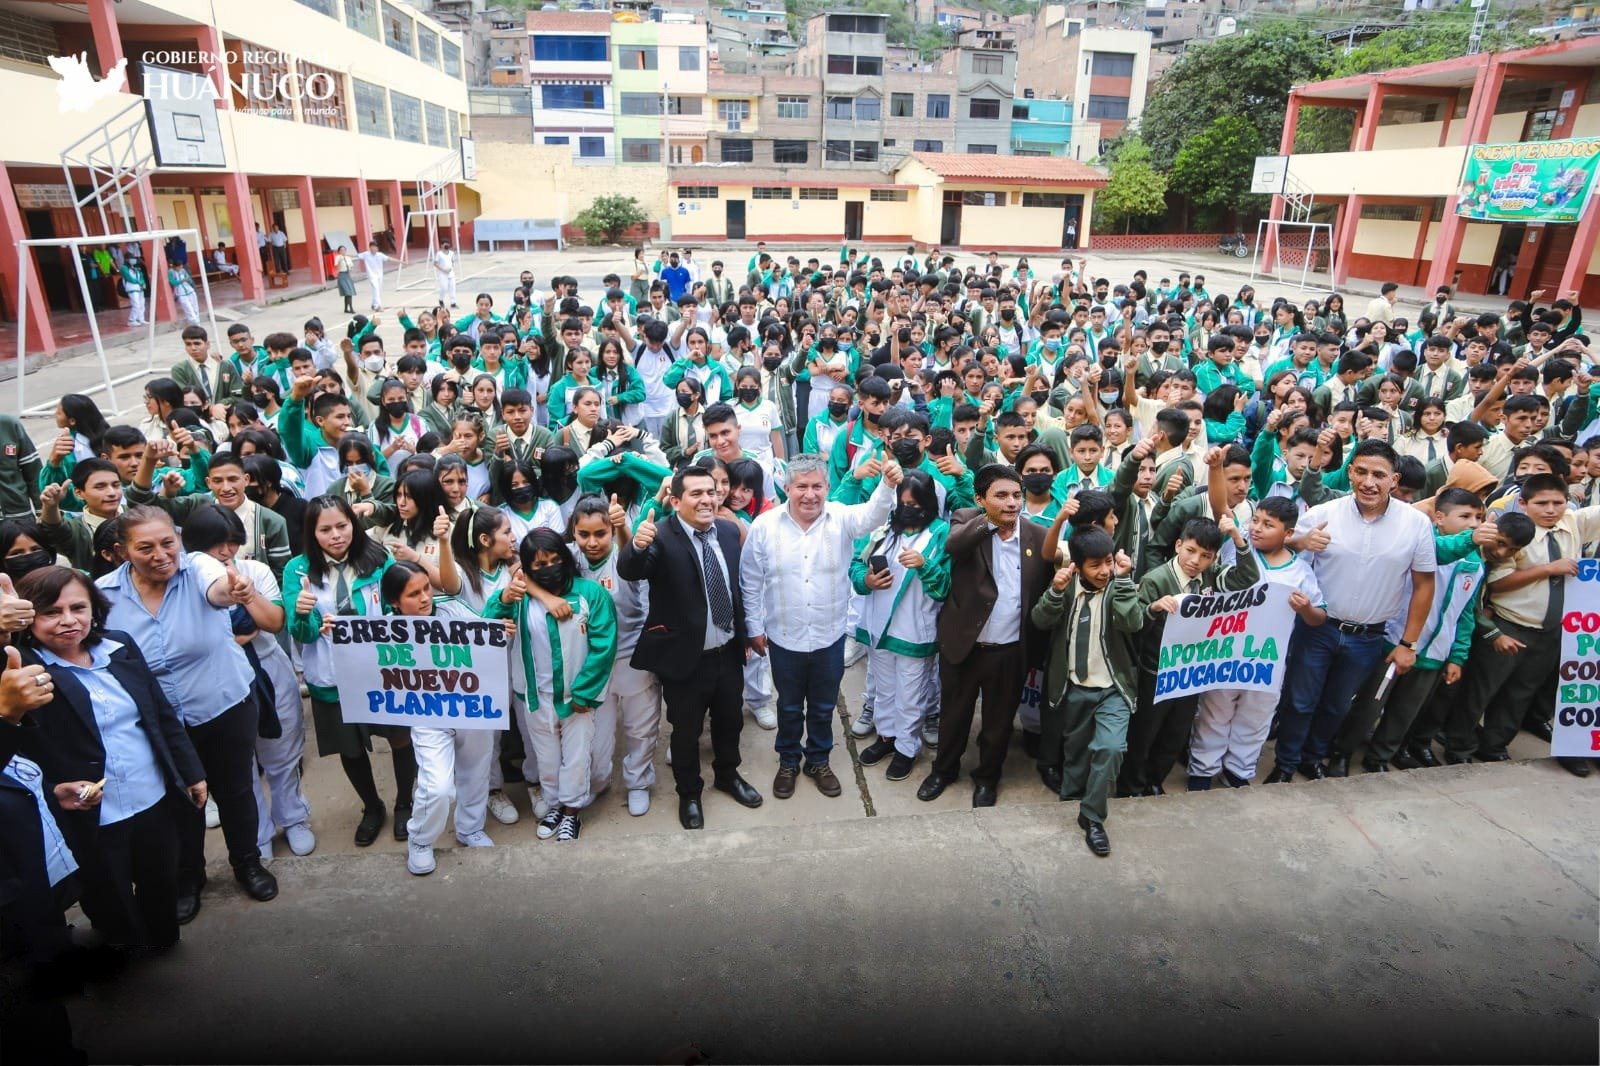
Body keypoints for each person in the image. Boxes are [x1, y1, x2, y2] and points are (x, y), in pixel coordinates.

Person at [94, 506, 276, 921]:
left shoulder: (197, 566)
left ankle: (247, 863)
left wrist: (237, 591)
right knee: (182, 801)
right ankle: (189, 877)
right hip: (160, 722)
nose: (160, 555)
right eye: (145, 548)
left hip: (223, 703)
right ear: (123, 551)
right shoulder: (104, 594)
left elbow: (218, 588)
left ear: (178, 540)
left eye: (167, 543)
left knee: (234, 790)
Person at [13, 565, 205, 950]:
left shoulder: (119, 646)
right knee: (108, 895)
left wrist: (191, 772)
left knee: (160, 881)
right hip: (92, 816)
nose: (68, 621)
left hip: (152, 798)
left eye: (78, 608)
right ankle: (125, 952)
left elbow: (161, 713)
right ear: (28, 617)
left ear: (94, 609)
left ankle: (164, 941)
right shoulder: (22, 674)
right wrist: (54, 790)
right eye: (51, 612)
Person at [1271, 441, 1440, 782]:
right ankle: (1285, 764)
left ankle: (1313, 758)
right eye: (1361, 471)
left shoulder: (1415, 525)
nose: (1369, 482)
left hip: (1369, 636)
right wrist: (1301, 542)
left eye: (1379, 475)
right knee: (1299, 701)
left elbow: (1424, 584)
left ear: (1394, 479)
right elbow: (1274, 545)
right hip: (1316, 628)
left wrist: (1408, 644)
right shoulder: (1323, 514)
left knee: (1337, 705)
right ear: (1349, 472)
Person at [741, 454, 898, 800]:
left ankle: (819, 760)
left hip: (829, 636)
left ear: (828, 488)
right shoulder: (764, 527)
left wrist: (887, 484)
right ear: (787, 489)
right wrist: (753, 627)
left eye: (816, 486)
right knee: (790, 706)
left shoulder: (841, 517)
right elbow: (750, 581)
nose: (809, 494)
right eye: (802, 486)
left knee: (824, 707)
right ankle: (788, 760)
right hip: (783, 638)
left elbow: (873, 515)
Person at [616, 465, 763, 830]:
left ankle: (728, 776)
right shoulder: (660, 536)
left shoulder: (728, 532)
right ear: (676, 500)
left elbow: (736, 589)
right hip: (684, 658)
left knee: (729, 722)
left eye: (711, 492)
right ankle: (690, 793)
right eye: (696, 494)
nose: (706, 500)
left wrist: (746, 634)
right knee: (685, 731)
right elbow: (631, 570)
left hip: (727, 650)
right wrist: (636, 543)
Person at [283, 495, 415, 845]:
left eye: (342, 526)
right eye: (325, 530)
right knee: (350, 748)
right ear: (312, 534)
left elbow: (398, 612)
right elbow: (302, 635)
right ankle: (372, 807)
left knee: (400, 737)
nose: (336, 535)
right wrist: (302, 614)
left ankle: (405, 802)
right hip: (332, 676)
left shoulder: (380, 559)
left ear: (353, 525)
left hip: (382, 672)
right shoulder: (297, 570)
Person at [916, 465, 1049, 807]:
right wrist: (990, 522)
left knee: (998, 723)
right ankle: (943, 771)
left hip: (1010, 651)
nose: (1012, 503)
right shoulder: (966, 520)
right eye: (1001, 496)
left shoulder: (1036, 536)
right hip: (964, 646)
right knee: (954, 717)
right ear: (980, 499)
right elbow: (953, 545)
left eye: (1017, 495)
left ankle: (987, 778)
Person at [487, 527, 616, 842]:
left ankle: (572, 813)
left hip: (576, 696)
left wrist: (585, 692)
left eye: (555, 560)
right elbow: (487, 622)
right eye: (540, 565)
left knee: (576, 757)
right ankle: (556, 805)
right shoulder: (519, 597)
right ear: (529, 568)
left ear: (566, 559)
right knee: (546, 759)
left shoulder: (591, 594)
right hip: (534, 696)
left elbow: (604, 646)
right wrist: (503, 598)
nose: (549, 569)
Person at [1031, 528, 1141, 856]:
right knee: (1076, 752)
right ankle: (1071, 795)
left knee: (1109, 748)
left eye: (1108, 562)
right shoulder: (1065, 590)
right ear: (1077, 566)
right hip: (1075, 686)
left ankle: (1092, 817)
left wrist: (1122, 582)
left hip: (1112, 689)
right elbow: (1039, 620)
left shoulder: (1119, 587)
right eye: (1095, 565)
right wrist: (1054, 591)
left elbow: (1133, 622)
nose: (1105, 570)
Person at [850, 469, 951, 782]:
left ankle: (907, 747)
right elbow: (856, 565)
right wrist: (867, 580)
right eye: (903, 502)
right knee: (884, 689)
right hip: (878, 627)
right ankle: (886, 737)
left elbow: (945, 586)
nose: (908, 509)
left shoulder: (940, 533)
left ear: (929, 504)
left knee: (911, 694)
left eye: (916, 504)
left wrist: (925, 565)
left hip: (914, 629)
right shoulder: (882, 529)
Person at [357, 240, 395, 311]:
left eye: (375, 247)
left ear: (377, 248)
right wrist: (343, 254)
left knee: (378, 290)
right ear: (369, 248)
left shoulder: (380, 255)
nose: (373, 248)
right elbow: (356, 256)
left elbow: (389, 259)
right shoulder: (365, 254)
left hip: (379, 275)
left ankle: (374, 304)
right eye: (372, 247)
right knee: (376, 289)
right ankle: (378, 306)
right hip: (372, 276)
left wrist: (401, 262)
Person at [433, 240, 457, 309]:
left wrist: (451, 268)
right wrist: (443, 270)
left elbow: (452, 262)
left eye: (448, 244)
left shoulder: (451, 253)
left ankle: (453, 303)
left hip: (451, 273)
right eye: (445, 244)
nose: (447, 245)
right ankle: (441, 299)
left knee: (452, 288)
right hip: (442, 274)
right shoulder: (439, 254)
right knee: (444, 288)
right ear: (442, 245)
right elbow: (435, 263)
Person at [334, 245, 357, 315]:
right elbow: (336, 265)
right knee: (347, 292)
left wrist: (350, 268)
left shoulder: (348, 258)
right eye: (341, 250)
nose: (343, 251)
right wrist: (340, 259)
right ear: (339, 251)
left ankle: (346, 308)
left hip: (347, 275)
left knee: (349, 292)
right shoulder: (338, 257)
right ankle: (351, 308)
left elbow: (351, 266)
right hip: (341, 275)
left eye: (344, 250)